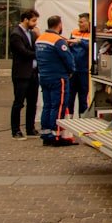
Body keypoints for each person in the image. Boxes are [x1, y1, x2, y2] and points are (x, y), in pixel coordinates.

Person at [35, 15, 76, 146]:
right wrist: (71, 71)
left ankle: (46, 133)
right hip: (58, 77)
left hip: (44, 77)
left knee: (47, 105)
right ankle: (56, 135)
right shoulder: (58, 41)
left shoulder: (40, 39)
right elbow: (68, 59)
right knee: (58, 106)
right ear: (59, 25)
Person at [9, 9, 40, 140]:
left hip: (33, 73)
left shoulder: (32, 34)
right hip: (21, 74)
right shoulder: (16, 34)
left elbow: (35, 47)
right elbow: (23, 52)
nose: (35, 23)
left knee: (32, 102)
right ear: (25, 19)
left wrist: (38, 36)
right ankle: (15, 130)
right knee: (19, 102)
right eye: (33, 20)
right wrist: (39, 54)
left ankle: (30, 128)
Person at [66, 13, 92, 117]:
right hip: (73, 71)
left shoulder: (92, 34)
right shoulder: (74, 32)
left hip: (84, 71)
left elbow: (92, 47)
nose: (79, 24)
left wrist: (80, 42)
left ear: (88, 22)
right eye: (78, 22)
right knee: (70, 97)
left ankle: (82, 120)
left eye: (81, 22)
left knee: (83, 98)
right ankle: (69, 119)